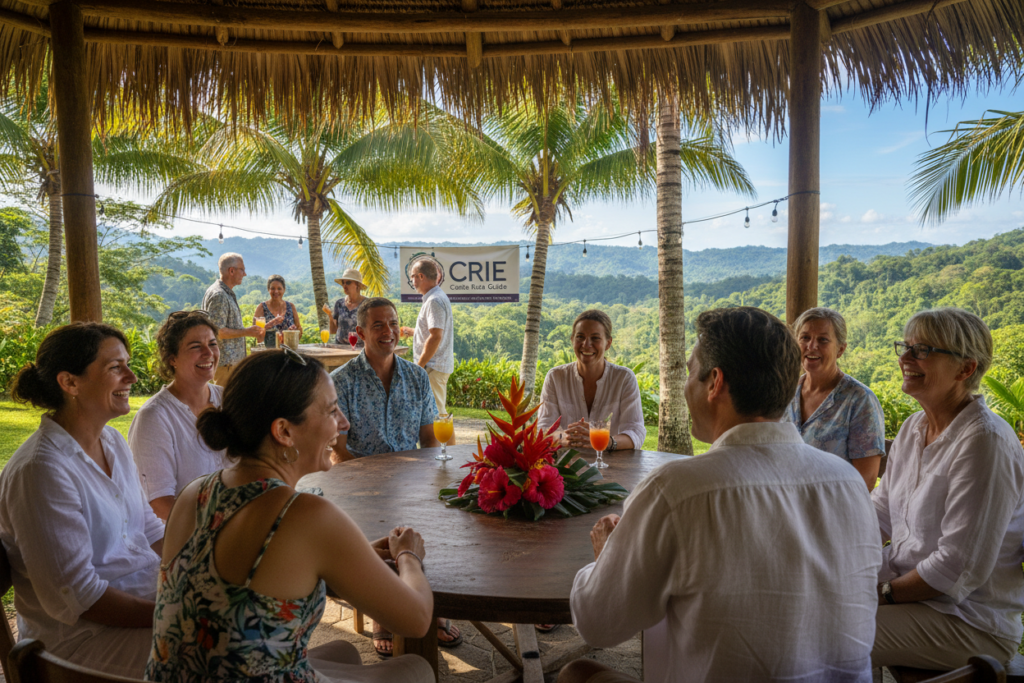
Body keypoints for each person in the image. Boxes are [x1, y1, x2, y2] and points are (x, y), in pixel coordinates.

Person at [561, 307, 881, 683]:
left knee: (577, 673)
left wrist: (608, 557)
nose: (685, 387)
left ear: (715, 382)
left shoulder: (679, 490)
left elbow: (599, 624)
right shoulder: (847, 483)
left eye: (690, 373)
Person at [146, 349, 435, 683]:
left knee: (345, 651)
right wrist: (408, 554)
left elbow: (247, 582)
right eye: (331, 411)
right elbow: (417, 619)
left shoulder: (194, 493)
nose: (344, 423)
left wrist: (348, 557)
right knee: (416, 669)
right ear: (283, 431)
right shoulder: (304, 514)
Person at [0, 323, 164, 679]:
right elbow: (79, 596)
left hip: (144, 606)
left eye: (128, 364)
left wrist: (209, 564)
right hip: (79, 642)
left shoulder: (113, 443)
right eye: (115, 368)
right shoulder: (41, 471)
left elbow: (149, 529)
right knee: (223, 652)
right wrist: (174, 614)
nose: (132, 377)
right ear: (70, 382)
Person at [872, 308, 1024, 671]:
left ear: (965, 369)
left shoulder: (984, 440)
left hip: (968, 621)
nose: (905, 358)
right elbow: (878, 513)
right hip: (914, 599)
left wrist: (882, 594)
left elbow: (957, 566)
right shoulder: (913, 427)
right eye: (905, 347)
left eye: (922, 350)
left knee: (827, 631)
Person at [331, 297, 461, 655]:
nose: (388, 332)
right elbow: (337, 448)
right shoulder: (341, 382)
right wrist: (371, 481)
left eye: (392, 323)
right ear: (359, 333)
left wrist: (431, 480)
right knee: (378, 525)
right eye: (378, 325)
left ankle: (432, 606)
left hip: (410, 481)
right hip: (359, 483)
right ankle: (382, 612)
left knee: (434, 518)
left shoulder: (417, 377)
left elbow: (429, 440)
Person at [128, 310, 230, 521]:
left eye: (212, 344)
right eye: (195, 347)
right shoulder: (155, 417)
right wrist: (220, 526)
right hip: (186, 536)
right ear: (172, 358)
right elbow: (160, 503)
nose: (209, 353)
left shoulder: (229, 400)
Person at [784, 307, 886, 490]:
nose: (812, 346)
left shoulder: (859, 400)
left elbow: (866, 479)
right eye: (805, 337)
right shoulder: (787, 392)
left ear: (840, 349)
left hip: (833, 509)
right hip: (785, 503)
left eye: (823, 340)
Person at [537, 309, 646, 454]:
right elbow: (544, 430)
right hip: (566, 468)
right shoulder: (555, 377)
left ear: (608, 343)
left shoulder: (624, 378)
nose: (586, 344)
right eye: (580, 337)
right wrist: (567, 438)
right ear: (572, 340)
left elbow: (636, 432)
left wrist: (606, 441)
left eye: (595, 338)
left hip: (613, 467)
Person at [202, 252, 272, 385]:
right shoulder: (219, 295)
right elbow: (218, 332)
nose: (245, 274)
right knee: (224, 403)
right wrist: (247, 332)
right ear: (232, 271)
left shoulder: (224, 293)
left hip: (229, 364)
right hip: (226, 365)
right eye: (242, 270)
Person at [401, 258, 454, 427]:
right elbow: (433, 332)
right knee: (434, 414)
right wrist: (413, 332)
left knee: (437, 415)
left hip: (432, 366)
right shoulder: (435, 297)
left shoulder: (434, 301)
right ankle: (438, 451)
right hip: (434, 366)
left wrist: (420, 365)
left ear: (421, 276)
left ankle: (443, 452)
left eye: (412, 277)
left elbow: (436, 336)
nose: (412, 282)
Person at [255, 274, 302, 349]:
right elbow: (255, 333)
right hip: (268, 353)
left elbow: (299, 330)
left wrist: (291, 334)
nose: (276, 291)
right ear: (268, 289)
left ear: (284, 289)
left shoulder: (291, 307)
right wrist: (271, 324)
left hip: (288, 352)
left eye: (279, 288)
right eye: (273, 288)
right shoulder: (261, 308)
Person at [326, 267, 368, 347]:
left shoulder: (367, 304)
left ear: (357, 285)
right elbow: (333, 331)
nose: (344, 285)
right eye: (343, 283)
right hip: (340, 348)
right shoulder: (339, 304)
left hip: (360, 349)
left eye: (348, 282)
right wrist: (330, 316)